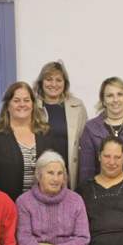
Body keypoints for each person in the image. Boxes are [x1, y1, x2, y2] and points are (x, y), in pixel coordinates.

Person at [0, 81, 55, 201]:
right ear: (7, 106)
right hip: (7, 207)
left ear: (33, 104)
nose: (22, 104)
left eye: (26, 100)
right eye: (16, 101)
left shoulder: (46, 133)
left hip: (42, 206)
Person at [34, 61, 88, 189]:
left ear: (65, 83)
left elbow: (85, 144)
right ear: (41, 82)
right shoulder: (31, 106)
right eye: (49, 79)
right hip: (39, 173)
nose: (53, 84)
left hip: (67, 173)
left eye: (58, 80)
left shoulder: (77, 106)